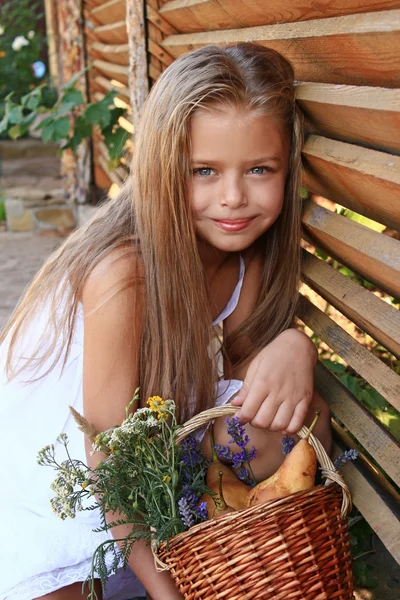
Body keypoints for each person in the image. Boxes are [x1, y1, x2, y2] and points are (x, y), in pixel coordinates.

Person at [0, 43, 332, 600]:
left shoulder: (245, 265)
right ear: (161, 169)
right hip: (66, 467)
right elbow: (107, 458)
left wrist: (296, 345)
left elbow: (247, 391)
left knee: (299, 421)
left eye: (259, 170)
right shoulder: (123, 273)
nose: (233, 198)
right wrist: (168, 590)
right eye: (203, 170)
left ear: (287, 167)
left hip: (150, 444)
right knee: (63, 576)